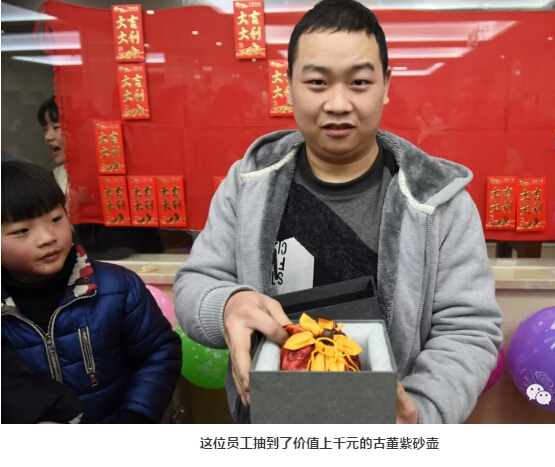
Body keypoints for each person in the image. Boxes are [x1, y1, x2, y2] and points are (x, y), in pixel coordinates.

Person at [174, 0, 503, 424]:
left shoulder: (439, 201)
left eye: (359, 82)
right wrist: (227, 304)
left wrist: (421, 413)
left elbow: (468, 329)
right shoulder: (248, 183)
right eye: (317, 82)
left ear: (386, 85)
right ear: (289, 85)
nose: (338, 103)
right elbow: (195, 283)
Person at [1, 162, 182, 423]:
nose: (47, 237)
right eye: (22, 231)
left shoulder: (118, 286)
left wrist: (134, 418)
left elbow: (159, 354)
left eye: (56, 219)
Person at [37, 96, 166, 259]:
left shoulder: (120, 173)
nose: (48, 137)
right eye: (45, 129)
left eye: (56, 128)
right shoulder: (52, 180)